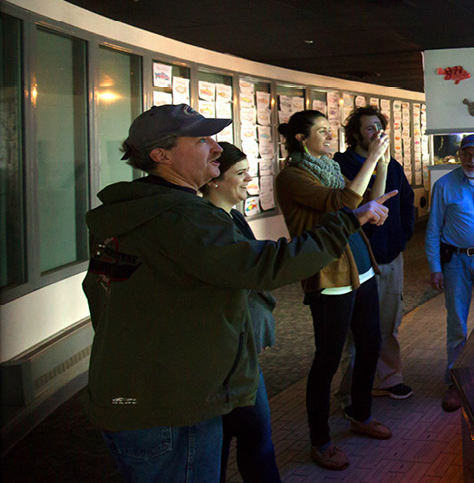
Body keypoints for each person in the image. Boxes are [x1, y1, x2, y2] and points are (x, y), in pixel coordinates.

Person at [84, 104, 393, 483]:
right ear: (161, 155)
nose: (217, 148)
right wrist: (346, 221)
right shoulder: (184, 218)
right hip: (170, 403)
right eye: (202, 140)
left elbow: (101, 299)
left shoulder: (128, 213)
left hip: (134, 391)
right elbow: (267, 266)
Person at [275, 110, 392, 471]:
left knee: (371, 343)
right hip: (329, 275)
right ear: (300, 138)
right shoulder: (292, 177)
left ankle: (361, 414)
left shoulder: (329, 168)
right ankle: (320, 439)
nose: (329, 136)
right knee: (326, 359)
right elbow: (344, 203)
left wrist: (382, 163)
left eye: (330, 130)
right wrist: (371, 158)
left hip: (361, 266)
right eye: (322, 131)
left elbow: (367, 200)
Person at [200, 143, 280, 483]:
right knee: (248, 436)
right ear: (213, 178)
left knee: (244, 436)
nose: (249, 179)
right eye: (240, 173)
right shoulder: (210, 226)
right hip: (227, 356)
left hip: (239, 351)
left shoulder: (231, 216)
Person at [333, 106, 416, 402]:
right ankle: (352, 390)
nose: (376, 134)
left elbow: (406, 202)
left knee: (389, 322)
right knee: (357, 329)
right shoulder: (341, 167)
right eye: (369, 128)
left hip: (390, 255)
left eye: (380, 128)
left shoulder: (392, 166)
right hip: (357, 260)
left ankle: (390, 378)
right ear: (354, 134)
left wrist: (401, 237)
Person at [425, 134, 474, 413]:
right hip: (455, 262)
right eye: (467, 155)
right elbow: (433, 230)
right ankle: (456, 382)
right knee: (457, 323)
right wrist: (435, 268)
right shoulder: (444, 185)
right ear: (459, 155)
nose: (472, 161)